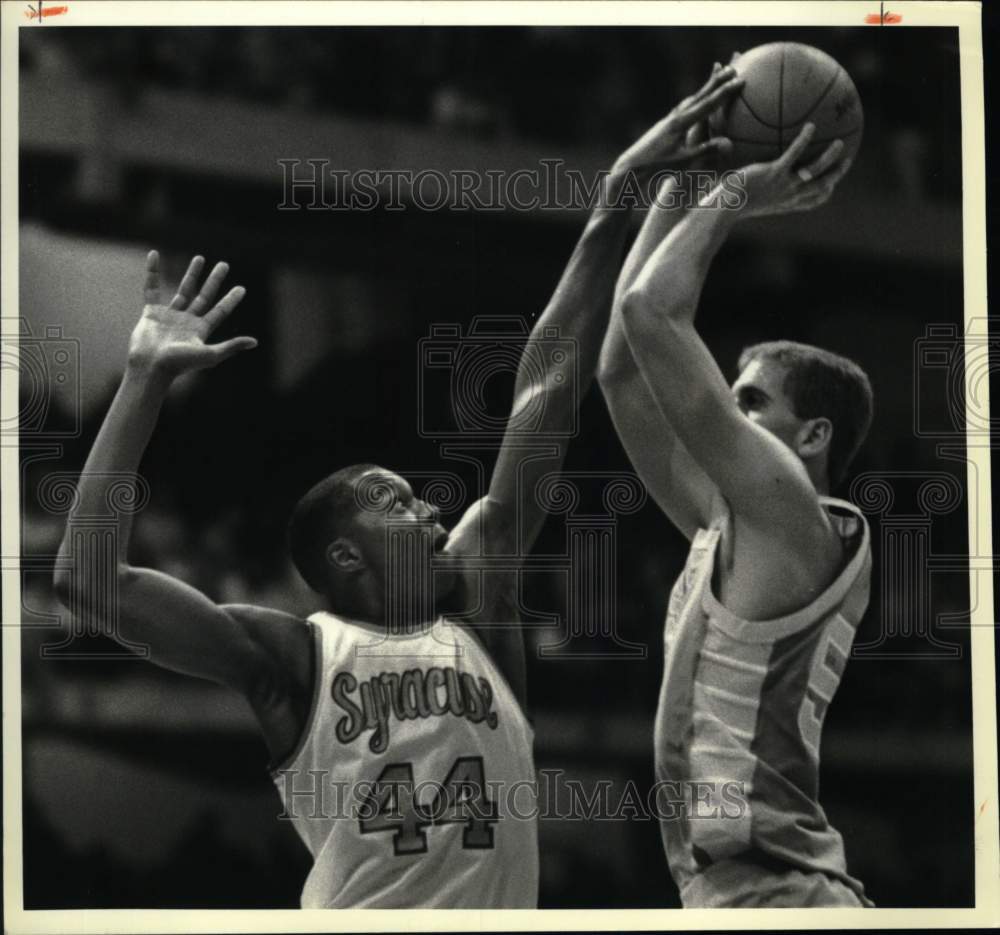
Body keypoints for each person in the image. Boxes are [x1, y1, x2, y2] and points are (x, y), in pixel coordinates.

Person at [52, 63, 744, 909]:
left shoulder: (479, 604)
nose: (432, 506)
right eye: (396, 499)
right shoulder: (295, 660)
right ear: (344, 553)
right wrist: (142, 382)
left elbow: (545, 393)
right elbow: (87, 584)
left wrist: (610, 206)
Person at [597, 70, 876, 907]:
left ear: (812, 437)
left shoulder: (794, 513)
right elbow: (621, 367)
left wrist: (734, 193)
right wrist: (680, 180)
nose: (724, 405)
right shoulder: (731, 521)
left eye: (749, 399)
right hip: (741, 889)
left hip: (782, 894)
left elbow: (653, 313)